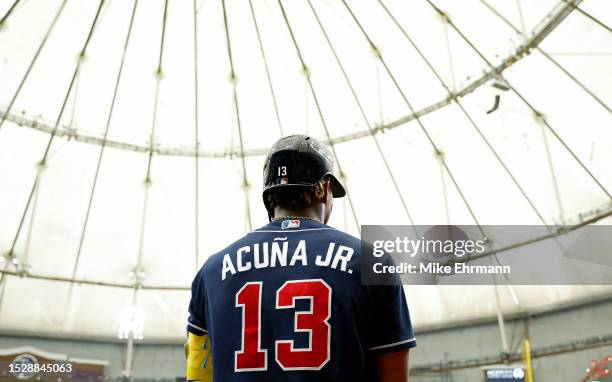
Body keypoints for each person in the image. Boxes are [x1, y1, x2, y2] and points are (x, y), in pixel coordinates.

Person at [186, 135, 415, 381]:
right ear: (326, 190)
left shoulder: (211, 271)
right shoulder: (372, 262)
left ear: (269, 195)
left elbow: (198, 375)